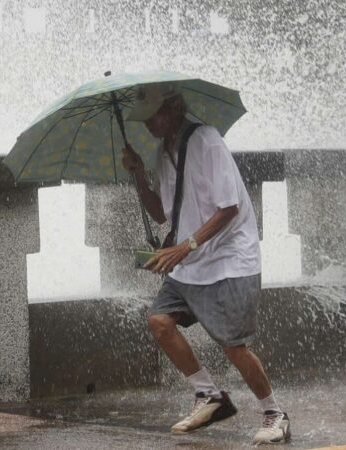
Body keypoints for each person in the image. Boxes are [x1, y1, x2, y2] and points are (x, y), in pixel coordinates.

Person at [121, 83, 291, 445]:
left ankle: (275, 412)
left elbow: (228, 207)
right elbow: (162, 213)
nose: (148, 124)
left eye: (152, 116)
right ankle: (210, 395)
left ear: (172, 109)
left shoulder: (207, 141)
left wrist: (186, 246)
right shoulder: (160, 153)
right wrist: (137, 173)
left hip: (230, 259)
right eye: (145, 119)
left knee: (233, 345)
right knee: (160, 322)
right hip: (191, 261)